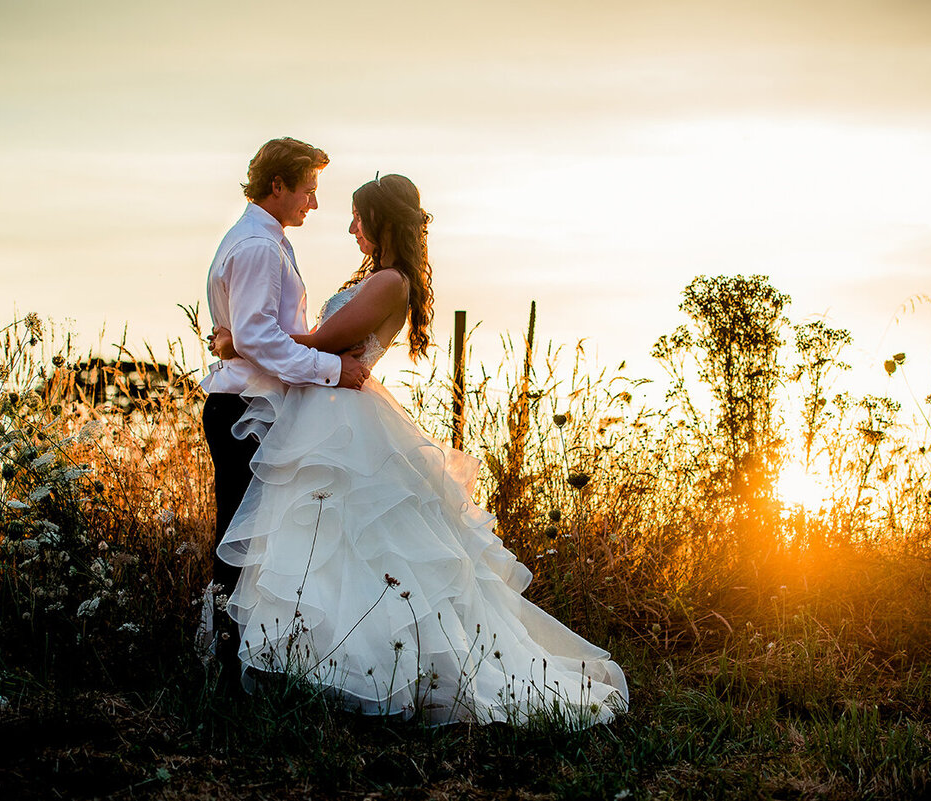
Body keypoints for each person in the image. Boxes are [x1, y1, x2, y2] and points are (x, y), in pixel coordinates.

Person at [210, 174, 628, 727]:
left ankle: (370, 672)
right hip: (327, 411)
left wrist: (238, 339)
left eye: (359, 216)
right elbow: (320, 340)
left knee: (360, 544)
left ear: (383, 220)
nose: (350, 226)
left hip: (344, 420)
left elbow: (320, 342)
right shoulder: (374, 277)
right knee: (326, 545)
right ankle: (313, 666)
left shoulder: (390, 281)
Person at [199, 137, 370, 667]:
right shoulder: (256, 246)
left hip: (252, 406)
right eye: (308, 189)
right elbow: (258, 338)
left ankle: (239, 656)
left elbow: (249, 334)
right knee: (241, 538)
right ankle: (226, 661)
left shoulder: (262, 238)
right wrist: (331, 369)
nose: (313, 203)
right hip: (245, 412)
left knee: (251, 535)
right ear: (278, 185)